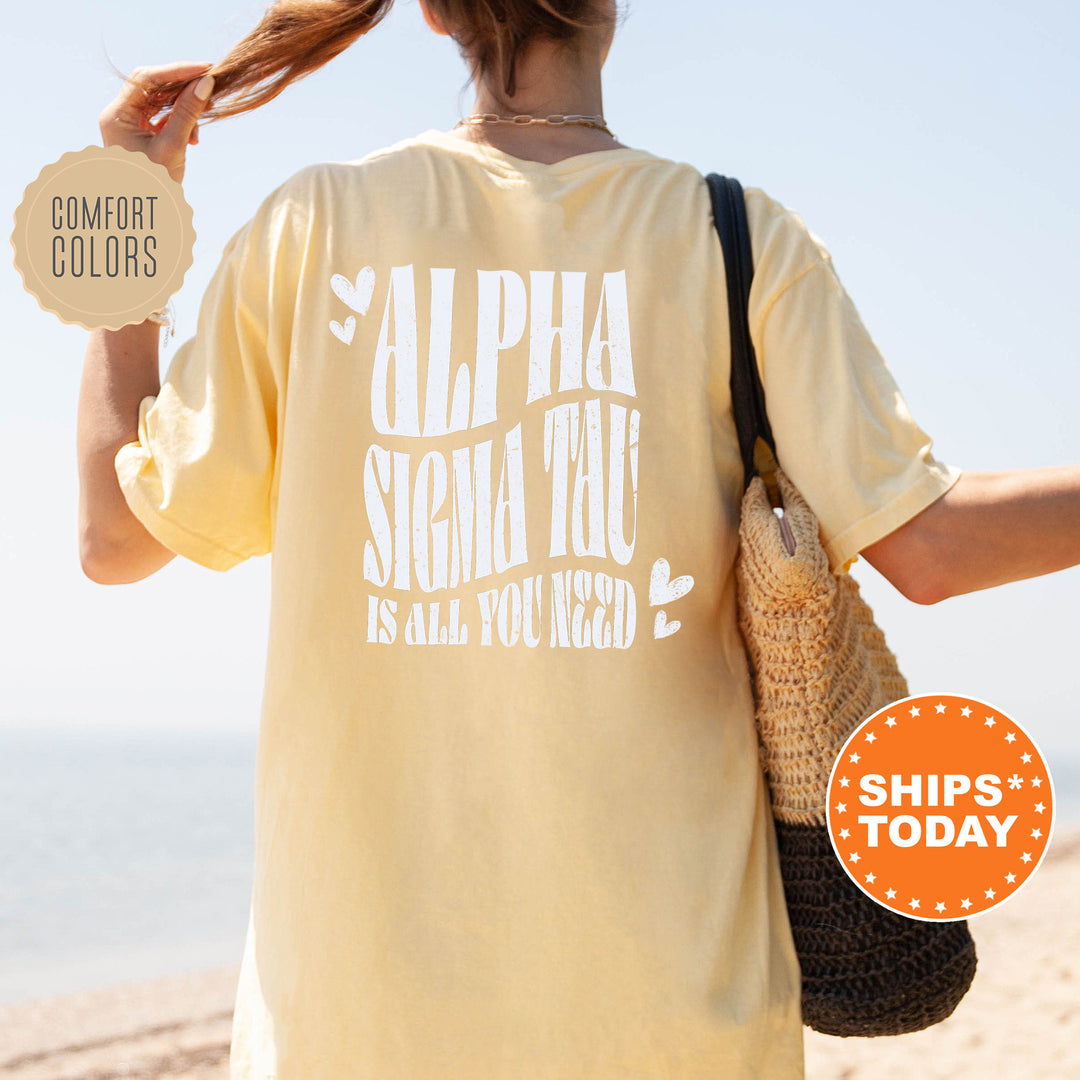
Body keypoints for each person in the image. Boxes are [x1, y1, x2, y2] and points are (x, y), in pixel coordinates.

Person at [77, 2, 1080, 1078]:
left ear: (429, 13)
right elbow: (930, 550)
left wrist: (128, 211)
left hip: (356, 1022)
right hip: (675, 1013)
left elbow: (115, 539)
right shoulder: (736, 240)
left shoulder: (314, 225)